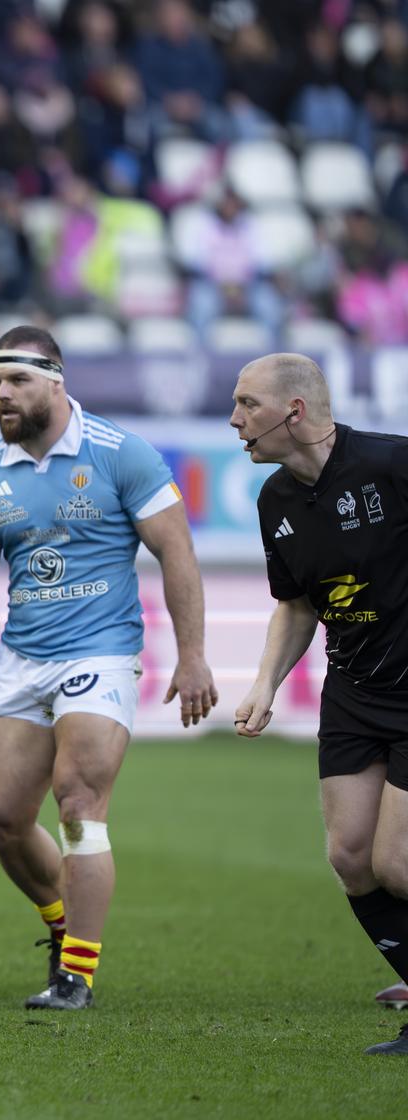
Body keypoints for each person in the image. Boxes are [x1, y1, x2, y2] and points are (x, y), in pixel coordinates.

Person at [0, 326, 216, 1012]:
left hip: (99, 652)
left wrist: (192, 656)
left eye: (18, 382)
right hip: (21, 660)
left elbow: (177, 554)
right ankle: (63, 922)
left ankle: (76, 975)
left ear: (56, 380)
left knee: (77, 800)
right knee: (3, 818)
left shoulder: (120, 453)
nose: (3, 396)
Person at [230, 353, 408, 1056]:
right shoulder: (275, 500)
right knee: (352, 856)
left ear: (293, 411)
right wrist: (264, 683)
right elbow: (296, 606)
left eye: (247, 404)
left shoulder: (392, 466)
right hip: (354, 694)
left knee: (397, 862)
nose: (236, 420)